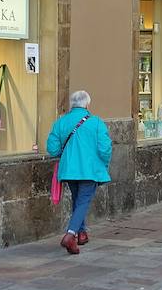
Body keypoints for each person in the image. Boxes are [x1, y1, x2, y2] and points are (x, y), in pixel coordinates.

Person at [47, 90, 113, 255]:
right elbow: (105, 148)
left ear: (72, 104)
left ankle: (82, 234)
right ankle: (71, 234)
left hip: (69, 169)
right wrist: (103, 163)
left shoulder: (61, 122)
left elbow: (52, 148)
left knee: (78, 200)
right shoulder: (96, 122)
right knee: (83, 201)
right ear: (87, 104)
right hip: (90, 169)